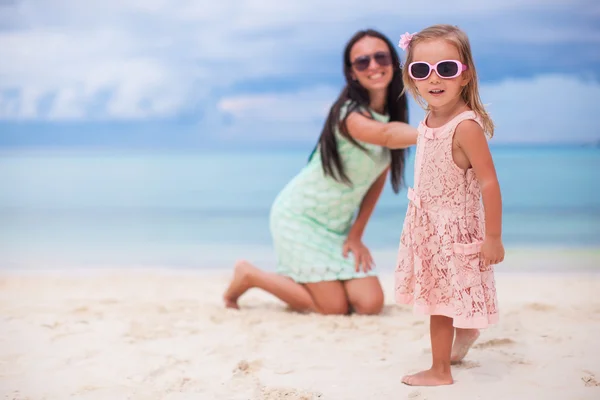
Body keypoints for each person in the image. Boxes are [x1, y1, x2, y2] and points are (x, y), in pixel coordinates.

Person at [223, 29, 418, 315]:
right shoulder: (348, 115)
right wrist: (437, 131)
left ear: (393, 62)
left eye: (380, 57)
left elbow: (375, 183)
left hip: (336, 227)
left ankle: (305, 279)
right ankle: (249, 275)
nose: (373, 66)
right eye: (362, 61)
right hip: (299, 217)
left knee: (370, 303)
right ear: (352, 73)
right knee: (333, 307)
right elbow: (386, 135)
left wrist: (356, 235)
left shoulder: (393, 117)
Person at [394, 24, 504, 386]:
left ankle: (441, 370)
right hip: (428, 226)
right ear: (411, 78)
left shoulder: (465, 126)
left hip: (453, 229)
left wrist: (493, 237)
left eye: (446, 69)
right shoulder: (428, 120)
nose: (434, 78)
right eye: (421, 70)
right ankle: (465, 334)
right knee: (443, 294)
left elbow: (488, 182)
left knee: (439, 303)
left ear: (464, 74)